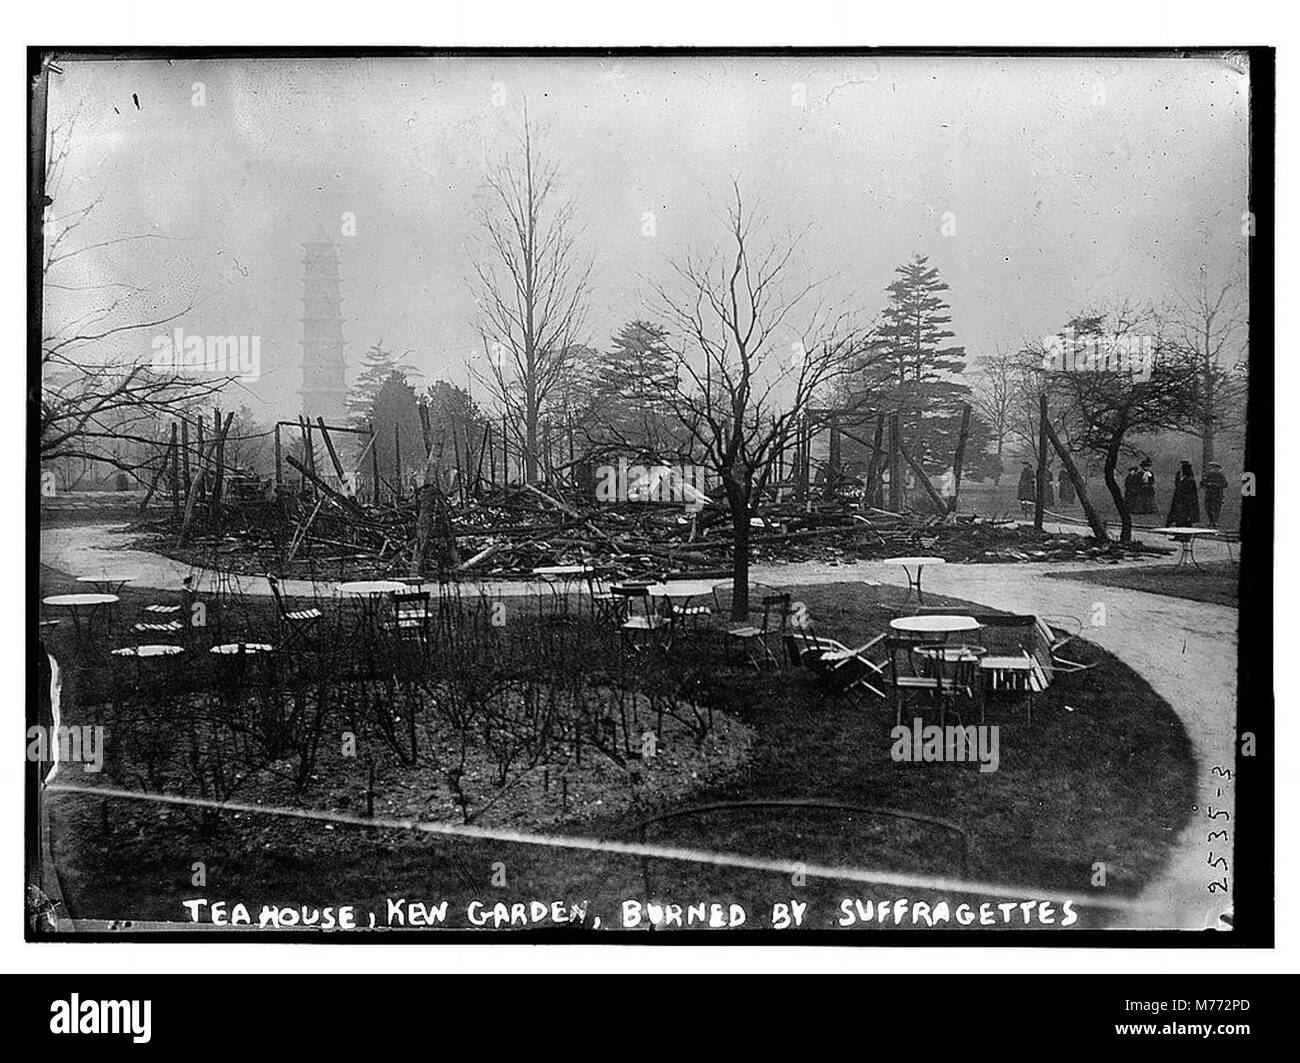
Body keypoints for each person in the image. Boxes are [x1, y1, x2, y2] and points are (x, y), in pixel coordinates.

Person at [1166, 460, 1201, 526]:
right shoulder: (1182, 478)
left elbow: (1188, 493)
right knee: (1179, 517)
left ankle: (1185, 534)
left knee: (1184, 518)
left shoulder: (1189, 480)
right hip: (1179, 500)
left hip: (1185, 502)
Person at [1202, 461, 1229, 526]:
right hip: (1209, 494)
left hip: (1217, 494)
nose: (1212, 469)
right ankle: (1211, 520)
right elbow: (1203, 483)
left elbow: (1225, 484)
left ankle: (1214, 521)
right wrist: (1206, 484)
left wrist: (1214, 485)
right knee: (1208, 507)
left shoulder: (1220, 476)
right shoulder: (1208, 475)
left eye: (1213, 467)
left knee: (1216, 508)